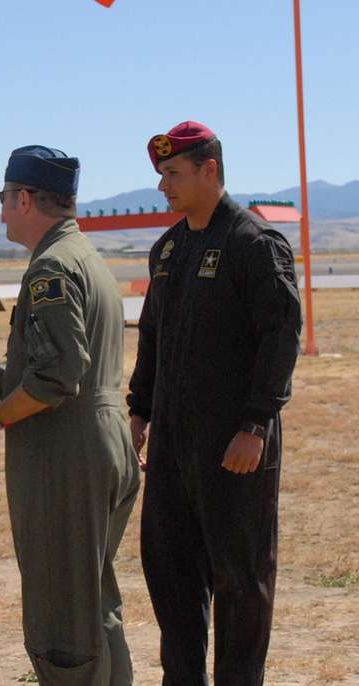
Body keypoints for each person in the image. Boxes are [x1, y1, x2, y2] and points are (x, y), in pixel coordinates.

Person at [0, 146, 140, 685]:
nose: (1, 212)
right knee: (93, 606)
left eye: (5, 199)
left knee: (62, 617)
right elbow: (25, 368)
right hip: (96, 444)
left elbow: (57, 373)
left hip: (67, 455)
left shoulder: (51, 268)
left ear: (26, 198)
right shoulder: (81, 256)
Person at [128, 121, 301, 685]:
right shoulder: (170, 248)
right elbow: (153, 336)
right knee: (171, 573)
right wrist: (139, 411)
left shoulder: (253, 243)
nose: (164, 186)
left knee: (240, 579)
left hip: (235, 444)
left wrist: (257, 423)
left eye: (173, 174)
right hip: (177, 446)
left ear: (210, 170)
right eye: (160, 176)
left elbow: (280, 337)